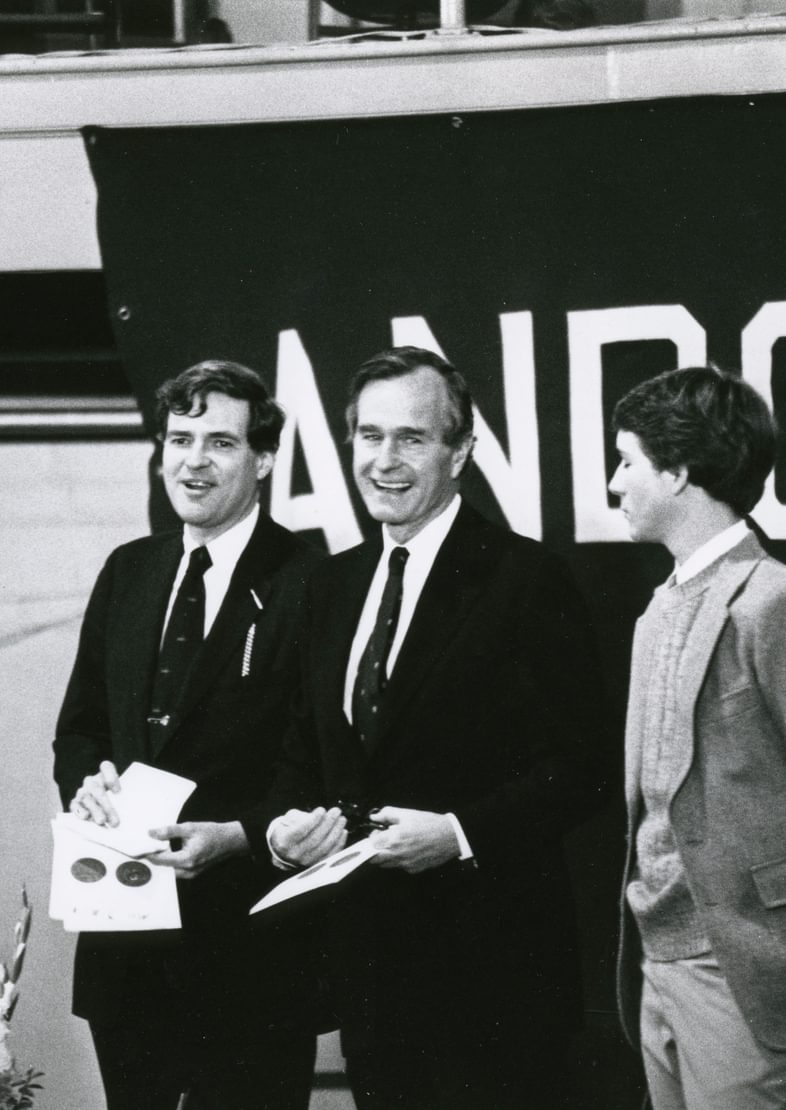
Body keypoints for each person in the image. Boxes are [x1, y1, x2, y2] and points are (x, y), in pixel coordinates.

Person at [255, 345, 606, 1109]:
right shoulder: (329, 585)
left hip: (497, 984)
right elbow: (302, 752)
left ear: (462, 452)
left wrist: (459, 832)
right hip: (371, 982)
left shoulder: (526, 580)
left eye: (412, 438)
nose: (385, 460)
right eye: (369, 436)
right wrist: (283, 830)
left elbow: (583, 767)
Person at [53, 360, 324, 1110]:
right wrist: (89, 783)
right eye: (179, 439)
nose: (193, 461)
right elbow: (78, 731)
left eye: (220, 443)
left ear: (264, 459)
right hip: (125, 946)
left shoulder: (311, 581)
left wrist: (241, 834)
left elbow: (321, 760)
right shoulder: (128, 572)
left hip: (251, 955)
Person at [609, 365, 786, 1110]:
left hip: (758, 987)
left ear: (680, 471)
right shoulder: (657, 611)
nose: (615, 484)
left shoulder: (779, 606)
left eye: (627, 461)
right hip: (659, 972)